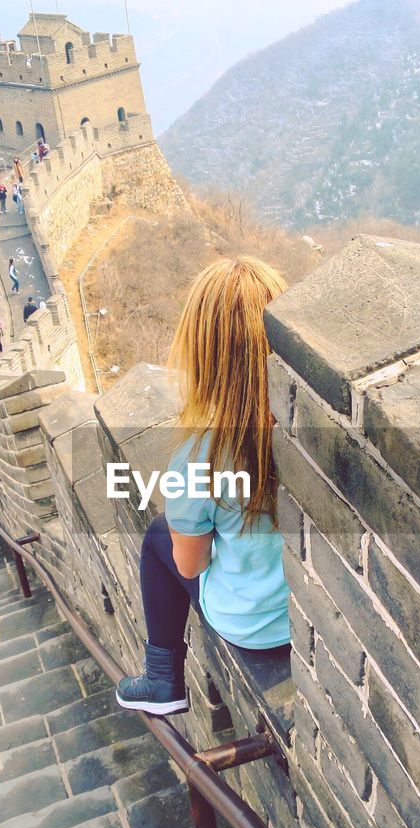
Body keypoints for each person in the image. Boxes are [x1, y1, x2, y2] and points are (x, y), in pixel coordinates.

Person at [116, 257, 291, 716]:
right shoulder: (303, 436)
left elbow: (189, 567)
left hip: (251, 624)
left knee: (159, 536)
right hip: (304, 618)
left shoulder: (202, 457)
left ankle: (162, 678)